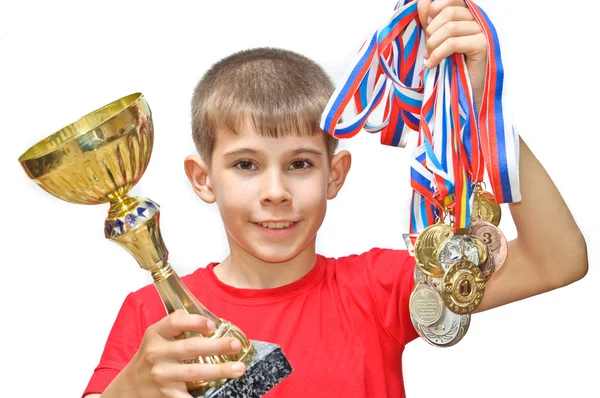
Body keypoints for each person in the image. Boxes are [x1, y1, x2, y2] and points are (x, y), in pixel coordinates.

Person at [83, 1, 588, 397]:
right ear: (202, 178)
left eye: (300, 164)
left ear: (336, 175)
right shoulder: (152, 314)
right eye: (245, 165)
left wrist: (481, 110)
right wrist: (131, 391)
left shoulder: (376, 289)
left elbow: (557, 260)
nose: (276, 192)